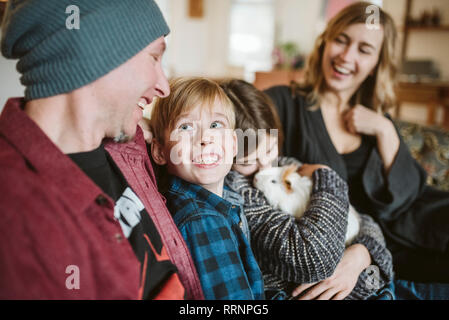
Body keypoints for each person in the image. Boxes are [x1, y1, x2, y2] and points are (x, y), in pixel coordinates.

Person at [0, 0, 203, 299]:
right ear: (95, 55)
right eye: (154, 57)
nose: (164, 87)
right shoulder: (19, 218)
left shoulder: (130, 143)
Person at [264, 2, 449, 283]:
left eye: (364, 50)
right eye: (341, 40)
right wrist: (364, 251)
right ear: (325, 42)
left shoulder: (378, 117)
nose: (346, 56)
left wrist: (386, 130)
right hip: (375, 244)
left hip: (419, 220)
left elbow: (412, 192)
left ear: (377, 64)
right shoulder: (282, 102)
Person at [221, 79, 394, 300]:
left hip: (374, 283)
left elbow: (366, 222)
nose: (265, 167)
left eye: (270, 148)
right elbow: (314, 259)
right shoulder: (240, 195)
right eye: (248, 161)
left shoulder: (284, 164)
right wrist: (326, 175)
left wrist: (361, 255)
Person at [149, 77, 264, 300]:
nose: (204, 139)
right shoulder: (202, 220)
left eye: (215, 125)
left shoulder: (218, 202)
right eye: (186, 127)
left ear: (233, 144)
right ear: (160, 152)